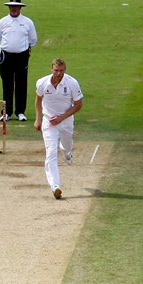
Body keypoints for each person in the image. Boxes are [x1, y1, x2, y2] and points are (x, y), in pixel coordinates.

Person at [34, 58, 84, 199]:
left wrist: (61, 118)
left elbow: (78, 105)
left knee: (67, 146)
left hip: (66, 121)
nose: (58, 73)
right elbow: (38, 101)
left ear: (65, 70)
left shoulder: (72, 83)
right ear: (52, 69)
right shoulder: (42, 82)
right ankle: (55, 186)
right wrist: (38, 119)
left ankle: (67, 153)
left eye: (61, 71)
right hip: (49, 122)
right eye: (56, 70)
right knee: (50, 152)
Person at [0, 0, 37, 121]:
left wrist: (24, 51)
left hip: (22, 56)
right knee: (7, 84)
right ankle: (7, 112)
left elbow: (33, 40)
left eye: (16, 7)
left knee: (21, 83)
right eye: (12, 6)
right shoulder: (2, 22)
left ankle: (20, 112)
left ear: (20, 8)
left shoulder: (27, 22)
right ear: (9, 7)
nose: (14, 9)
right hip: (6, 56)